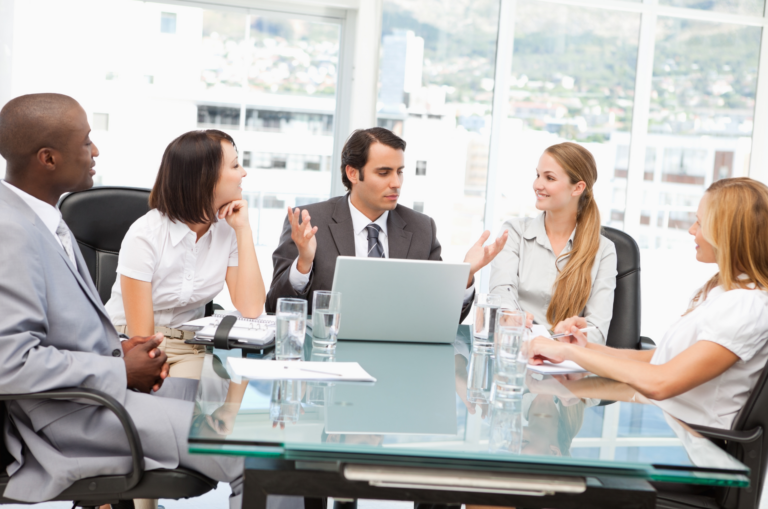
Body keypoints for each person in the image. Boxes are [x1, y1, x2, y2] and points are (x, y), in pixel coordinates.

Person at [0, 93, 243, 507]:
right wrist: (119, 370)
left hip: (95, 399)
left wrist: (122, 354)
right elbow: (10, 363)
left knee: (253, 434)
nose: (95, 151)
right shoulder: (11, 231)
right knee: (256, 454)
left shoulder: (44, 220)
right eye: (85, 142)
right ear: (48, 158)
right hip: (71, 417)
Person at [527, 177, 768, 430]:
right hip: (668, 425)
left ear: (727, 233)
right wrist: (585, 348)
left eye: (700, 222)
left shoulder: (746, 306)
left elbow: (661, 382)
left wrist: (569, 353)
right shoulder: (725, 293)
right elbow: (659, 360)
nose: (692, 230)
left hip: (692, 444)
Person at [266, 127, 508, 318]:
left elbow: (445, 318)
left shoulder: (421, 228)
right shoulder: (308, 222)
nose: (396, 183)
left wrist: (465, 275)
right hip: (326, 358)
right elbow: (274, 308)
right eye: (384, 173)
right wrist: (304, 264)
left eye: (399, 172)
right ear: (353, 174)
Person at [104, 129, 265, 380]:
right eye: (235, 166)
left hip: (189, 347)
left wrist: (243, 229)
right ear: (205, 177)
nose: (243, 172)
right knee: (172, 403)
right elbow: (143, 341)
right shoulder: (145, 234)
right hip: (129, 345)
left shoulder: (229, 230)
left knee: (207, 396)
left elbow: (252, 307)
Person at [489, 142, 617, 344]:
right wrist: (511, 317)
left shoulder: (604, 251)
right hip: (516, 350)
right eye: (538, 175)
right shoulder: (514, 232)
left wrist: (562, 341)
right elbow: (501, 293)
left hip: (566, 363)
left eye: (549, 178)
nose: (537, 185)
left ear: (578, 188)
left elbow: (597, 332)